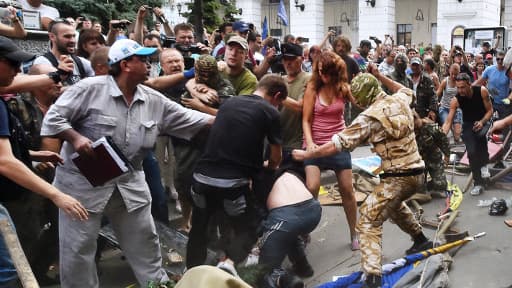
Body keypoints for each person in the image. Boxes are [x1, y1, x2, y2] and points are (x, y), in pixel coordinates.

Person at [40, 39, 214, 287]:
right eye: (142, 60)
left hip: (128, 183)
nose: (148, 64)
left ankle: (158, 286)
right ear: (125, 64)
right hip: (82, 187)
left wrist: (232, 115)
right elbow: (53, 120)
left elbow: (192, 119)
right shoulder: (89, 89)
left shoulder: (154, 100)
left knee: (145, 243)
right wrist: (76, 138)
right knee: (78, 251)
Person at [293, 64, 433, 288]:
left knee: (368, 218)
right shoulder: (400, 99)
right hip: (416, 173)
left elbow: (337, 144)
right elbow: (407, 91)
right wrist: (381, 77)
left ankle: (372, 277)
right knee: (392, 205)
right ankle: (421, 240)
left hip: (398, 177)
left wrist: (309, 153)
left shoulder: (369, 118)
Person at [0, 35, 88, 287]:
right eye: (12, 64)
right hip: (9, 197)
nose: (18, 71)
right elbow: (4, 161)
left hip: (17, 195)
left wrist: (34, 155)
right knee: (10, 269)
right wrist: (56, 195)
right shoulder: (13, 105)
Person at [186, 74, 287, 269]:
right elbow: (276, 158)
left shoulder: (229, 103)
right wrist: (267, 168)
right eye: (279, 103)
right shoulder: (270, 112)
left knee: (199, 229)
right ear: (277, 96)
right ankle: (230, 265)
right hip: (231, 185)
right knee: (250, 227)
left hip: (200, 179)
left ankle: (191, 271)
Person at [302, 50, 359, 250]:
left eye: (326, 73)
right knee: (312, 186)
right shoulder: (312, 88)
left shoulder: (342, 88)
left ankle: (354, 231)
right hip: (315, 143)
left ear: (335, 72)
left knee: (347, 189)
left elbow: (360, 103)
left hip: (337, 143)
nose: (323, 76)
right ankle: (304, 230)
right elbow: (306, 119)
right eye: (320, 72)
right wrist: (309, 143)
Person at [442, 73, 493, 196]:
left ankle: (484, 164)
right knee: (471, 151)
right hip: (469, 123)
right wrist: (441, 136)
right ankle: (478, 182)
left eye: (463, 87)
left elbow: (490, 111)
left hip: (483, 120)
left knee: (480, 136)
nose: (460, 90)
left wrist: (482, 122)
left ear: (469, 84)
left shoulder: (482, 91)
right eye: (458, 88)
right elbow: (448, 121)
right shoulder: (456, 100)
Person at [33, 18, 94, 86]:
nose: (72, 41)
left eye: (74, 36)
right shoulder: (42, 63)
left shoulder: (81, 62)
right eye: (67, 36)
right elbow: (49, 93)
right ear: (52, 37)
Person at [279, 42, 310, 164]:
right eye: (285, 59)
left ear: (302, 59)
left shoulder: (308, 79)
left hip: (296, 145)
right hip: (277, 142)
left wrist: (276, 95)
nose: (288, 63)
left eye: (291, 59)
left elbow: (301, 107)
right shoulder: (279, 80)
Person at [413, 112, 450, 192]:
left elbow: (443, 140)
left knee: (441, 185)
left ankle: (430, 185)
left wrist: (447, 155)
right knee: (418, 189)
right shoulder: (408, 131)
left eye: (415, 123)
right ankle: (422, 186)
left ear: (418, 118)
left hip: (434, 159)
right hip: (419, 162)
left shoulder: (431, 127)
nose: (414, 126)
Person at [437, 63, 462, 143]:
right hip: (445, 108)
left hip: (456, 109)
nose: (454, 76)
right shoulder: (445, 81)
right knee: (446, 131)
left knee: (457, 135)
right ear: (449, 71)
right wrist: (435, 102)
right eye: (452, 74)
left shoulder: (461, 82)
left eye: (456, 74)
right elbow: (438, 93)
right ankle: (443, 145)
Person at [409, 57, 437, 121]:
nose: (415, 67)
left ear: (421, 66)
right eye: (413, 65)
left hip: (423, 110)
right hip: (411, 109)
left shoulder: (426, 78)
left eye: (417, 65)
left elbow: (433, 95)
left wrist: (432, 110)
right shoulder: (408, 78)